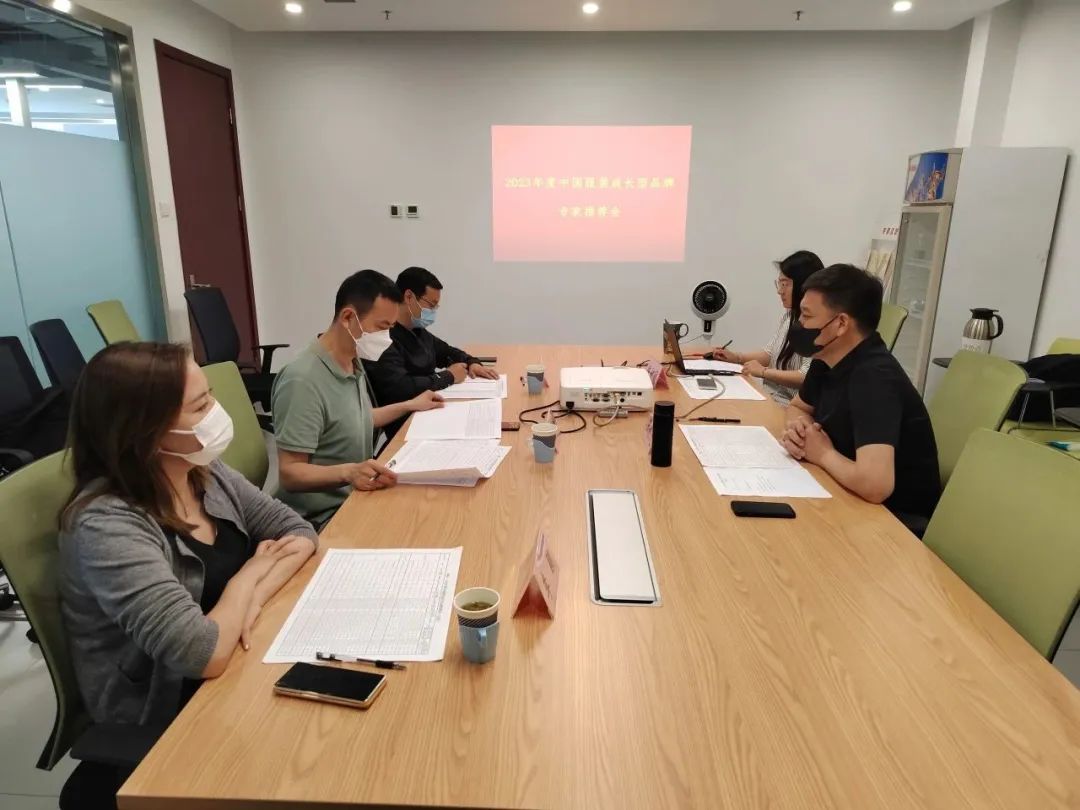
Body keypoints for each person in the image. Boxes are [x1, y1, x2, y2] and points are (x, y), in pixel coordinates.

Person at [58, 342, 318, 807]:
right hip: (174, 714)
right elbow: (202, 654)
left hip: (242, 663)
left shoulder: (201, 472)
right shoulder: (107, 525)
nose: (216, 412)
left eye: (210, 395)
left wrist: (249, 601)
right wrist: (247, 579)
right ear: (144, 430)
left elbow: (298, 533)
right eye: (200, 406)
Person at [272, 269, 444, 527]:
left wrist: (410, 405)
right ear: (348, 318)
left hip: (356, 497)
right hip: (319, 519)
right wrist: (349, 472)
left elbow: (354, 418)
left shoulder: (352, 361)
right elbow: (290, 473)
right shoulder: (302, 380)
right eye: (382, 327)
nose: (386, 338)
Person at [780, 264, 941, 525]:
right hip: (844, 491)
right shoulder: (827, 356)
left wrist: (822, 454)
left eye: (807, 316)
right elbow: (798, 407)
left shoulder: (875, 378)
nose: (800, 324)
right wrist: (801, 432)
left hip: (894, 522)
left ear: (841, 323)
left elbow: (876, 485)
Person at [364, 266, 498, 438]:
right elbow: (402, 388)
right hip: (407, 425)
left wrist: (471, 362)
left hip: (430, 413)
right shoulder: (384, 339)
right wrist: (448, 376)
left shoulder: (417, 331)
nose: (433, 312)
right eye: (431, 305)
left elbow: (447, 351)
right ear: (409, 296)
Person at [704, 250, 824, 405]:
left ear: (803, 285)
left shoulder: (818, 324)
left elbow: (805, 376)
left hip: (790, 405)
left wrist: (763, 372)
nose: (779, 291)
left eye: (785, 284)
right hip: (770, 396)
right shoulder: (789, 316)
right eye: (779, 283)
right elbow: (770, 353)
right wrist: (737, 358)